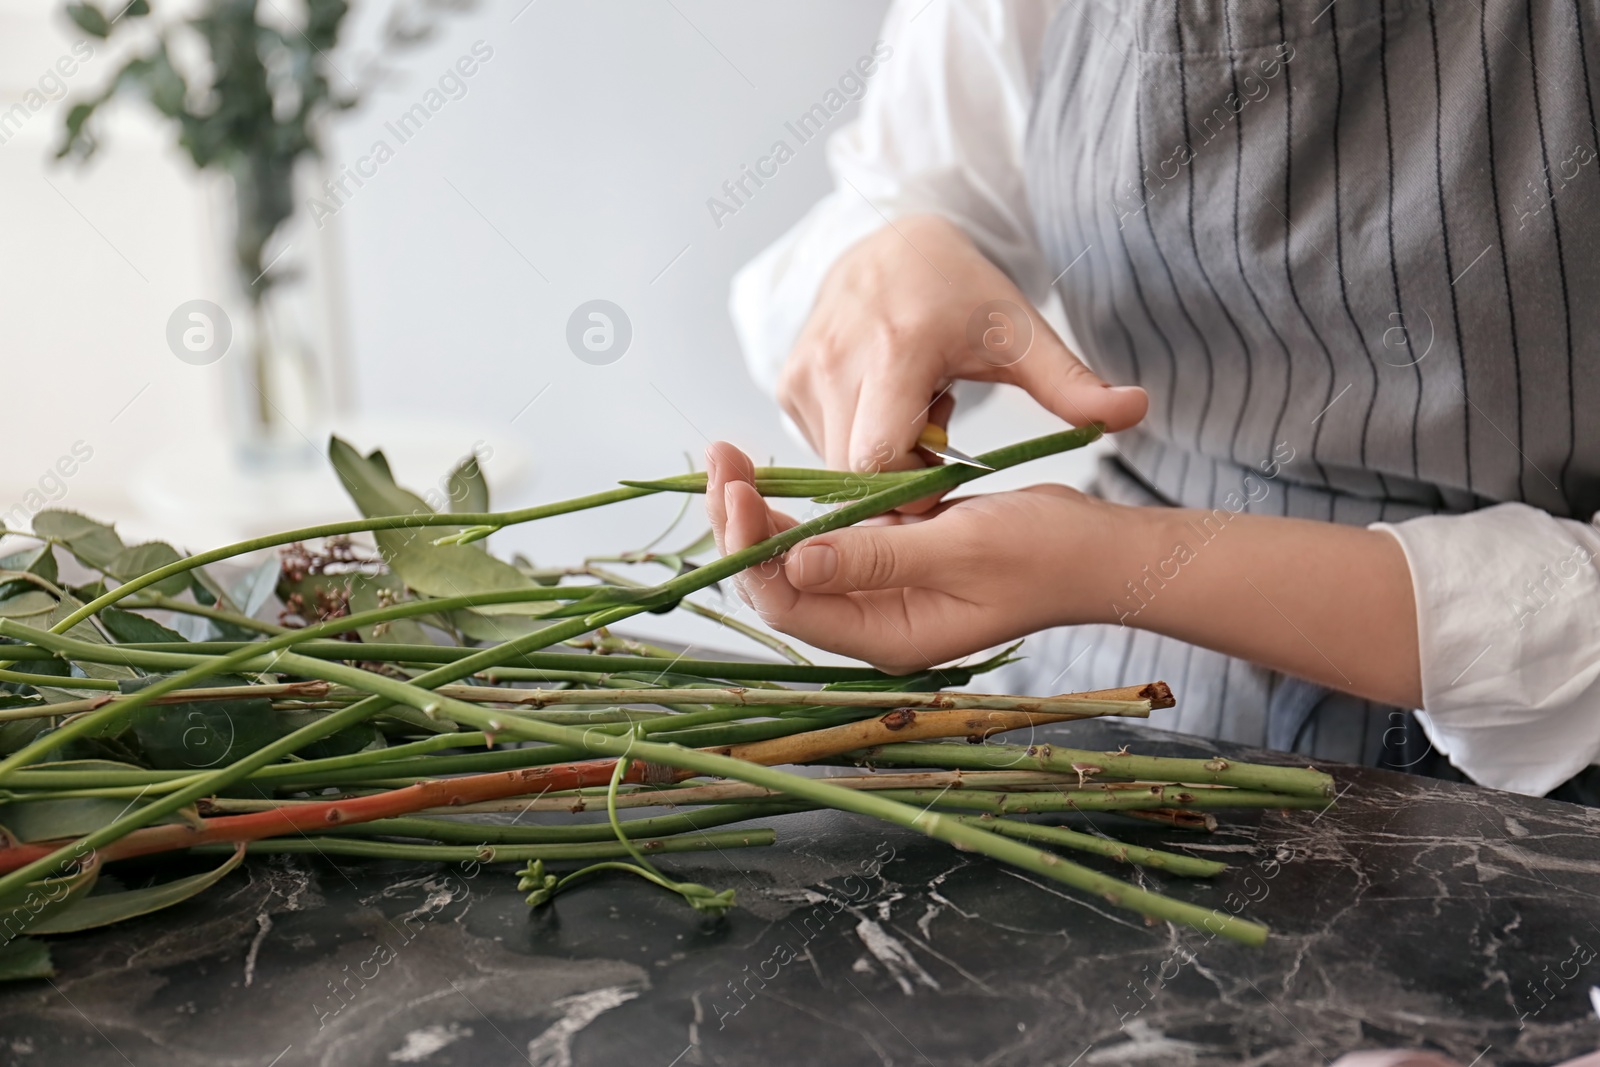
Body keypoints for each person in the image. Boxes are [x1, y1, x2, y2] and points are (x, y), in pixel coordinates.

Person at [708, 0, 1600, 803]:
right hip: (1101, 739)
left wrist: (1114, 565)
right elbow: (913, 183)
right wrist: (886, 258)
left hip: (1537, 802)